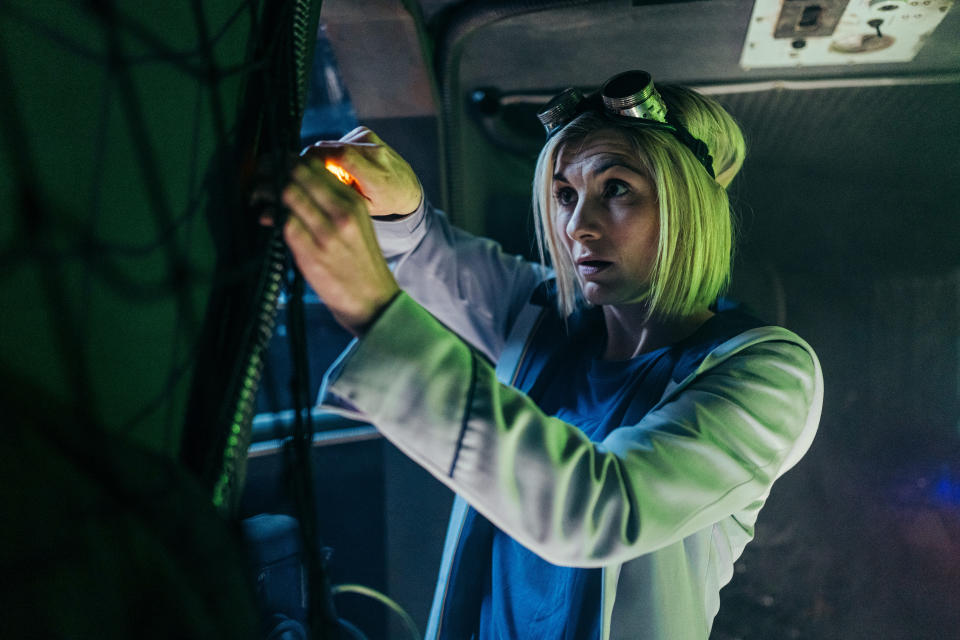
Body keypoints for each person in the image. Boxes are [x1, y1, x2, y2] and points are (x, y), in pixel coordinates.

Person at [279, 71, 823, 640]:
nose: (577, 227)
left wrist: (374, 309)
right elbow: (426, 254)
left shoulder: (769, 373)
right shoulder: (549, 319)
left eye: (616, 189)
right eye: (565, 195)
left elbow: (599, 510)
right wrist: (396, 203)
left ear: (690, 208)